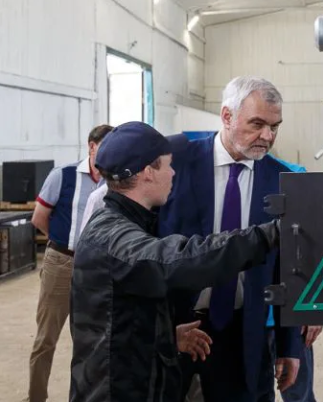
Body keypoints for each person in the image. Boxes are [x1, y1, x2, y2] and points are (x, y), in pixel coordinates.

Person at [69, 121, 283, 402]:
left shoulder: (125, 221)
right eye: (169, 165)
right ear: (148, 172)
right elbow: (180, 261)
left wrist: (167, 337)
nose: (173, 173)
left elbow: (122, 319)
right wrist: (270, 234)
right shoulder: (113, 238)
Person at [158, 76, 305, 402]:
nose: (267, 136)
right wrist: (159, 329)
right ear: (227, 116)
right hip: (175, 327)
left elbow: (286, 270)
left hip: (244, 332)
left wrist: (289, 345)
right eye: (257, 124)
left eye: (274, 127)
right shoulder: (175, 166)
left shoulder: (281, 180)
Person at [27, 124, 112, 402]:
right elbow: (39, 217)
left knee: (90, 340)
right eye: (106, 146)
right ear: (91, 146)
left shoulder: (114, 182)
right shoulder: (63, 175)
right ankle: (36, 396)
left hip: (96, 268)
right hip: (61, 262)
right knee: (46, 338)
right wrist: (64, 243)